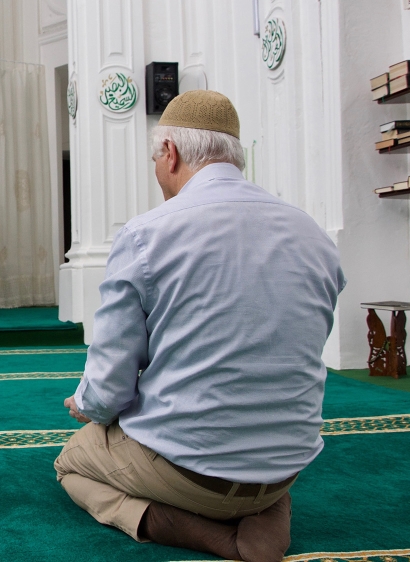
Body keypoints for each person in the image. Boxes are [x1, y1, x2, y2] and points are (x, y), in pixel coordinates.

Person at [55, 90, 345, 562]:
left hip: (187, 470)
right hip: (285, 465)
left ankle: (208, 534)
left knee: (72, 462)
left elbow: (109, 391)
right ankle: (265, 509)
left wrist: (84, 403)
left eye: (155, 158)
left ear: (169, 154)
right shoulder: (314, 235)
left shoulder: (147, 234)